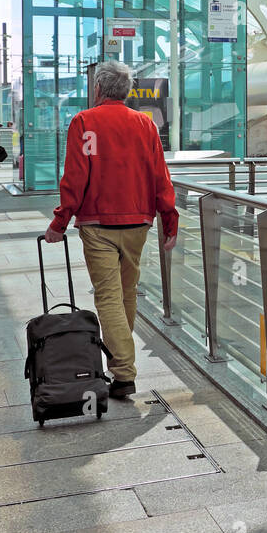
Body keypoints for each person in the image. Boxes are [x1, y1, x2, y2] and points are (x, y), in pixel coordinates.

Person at [43, 61, 178, 401]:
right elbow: (160, 175)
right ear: (128, 91)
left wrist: (59, 223)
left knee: (108, 296)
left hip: (97, 224)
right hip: (139, 223)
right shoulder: (145, 125)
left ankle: (123, 372)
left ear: (99, 89)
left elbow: (75, 178)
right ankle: (121, 362)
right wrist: (169, 220)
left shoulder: (85, 122)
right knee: (126, 292)